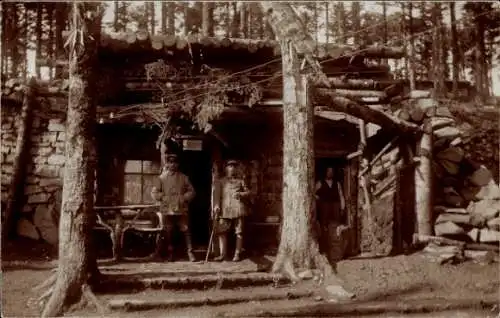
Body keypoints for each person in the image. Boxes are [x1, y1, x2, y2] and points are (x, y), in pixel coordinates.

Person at [151, 153, 196, 262]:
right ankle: (171, 254)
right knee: (168, 232)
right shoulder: (161, 178)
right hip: (167, 209)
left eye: (175, 162)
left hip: (181, 208)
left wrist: (184, 198)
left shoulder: (184, 177)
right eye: (170, 162)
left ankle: (190, 253)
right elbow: (154, 192)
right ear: (167, 163)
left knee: (186, 230)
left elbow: (192, 191)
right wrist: (163, 197)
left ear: (178, 164)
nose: (173, 165)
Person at [212, 160, 251, 262]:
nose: (232, 168)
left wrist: (241, 194)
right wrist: (216, 206)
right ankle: (222, 254)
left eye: (234, 166)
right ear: (226, 169)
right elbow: (216, 196)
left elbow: (248, 192)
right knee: (222, 232)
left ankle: (237, 254)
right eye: (230, 166)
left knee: (239, 232)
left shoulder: (241, 181)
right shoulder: (220, 181)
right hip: (225, 210)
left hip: (238, 209)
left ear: (237, 169)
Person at [315, 166, 348, 263]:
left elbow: (341, 195)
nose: (330, 173)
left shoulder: (337, 184)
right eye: (328, 171)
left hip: (335, 208)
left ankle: (336, 251)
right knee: (324, 228)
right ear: (325, 173)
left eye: (332, 171)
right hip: (324, 208)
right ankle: (324, 250)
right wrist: (319, 202)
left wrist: (342, 207)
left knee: (335, 227)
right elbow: (314, 194)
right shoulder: (320, 183)